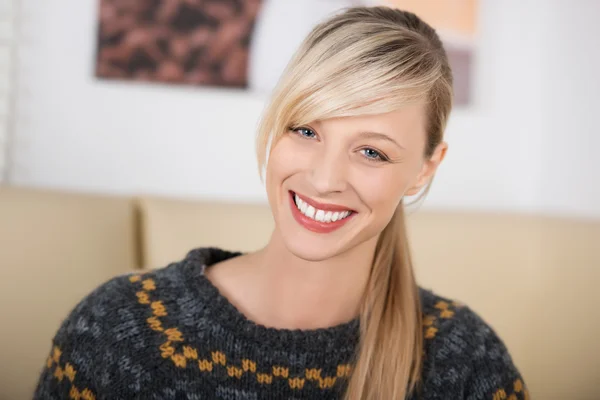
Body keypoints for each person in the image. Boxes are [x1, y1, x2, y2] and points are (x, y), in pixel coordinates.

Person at [34, 7, 527, 400]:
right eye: (306, 129)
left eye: (372, 151)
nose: (324, 178)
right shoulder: (120, 329)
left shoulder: (465, 360)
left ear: (425, 168)